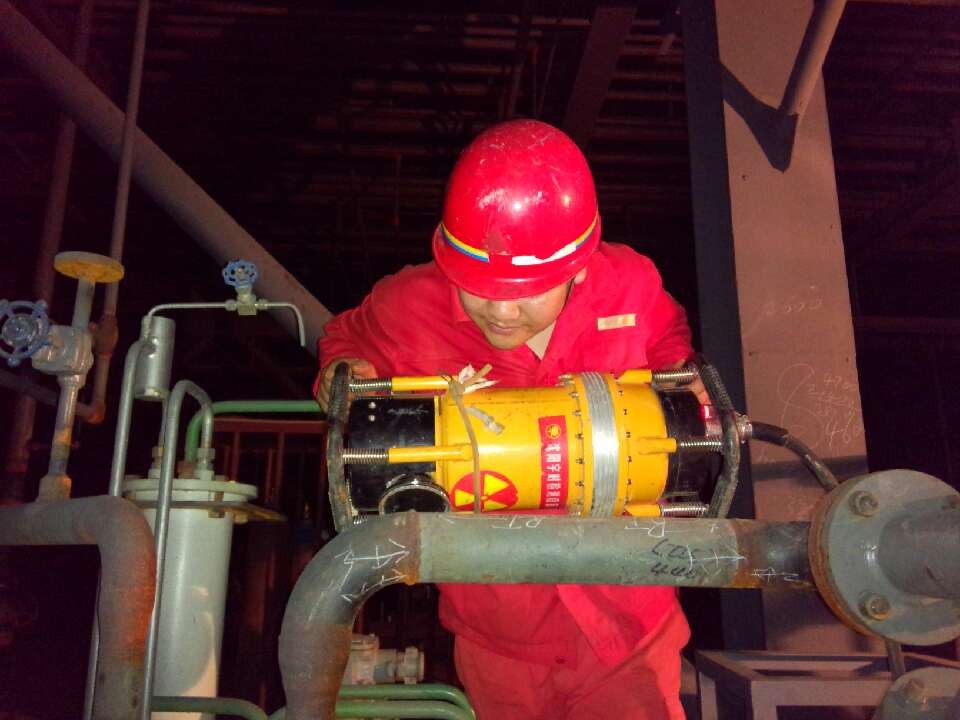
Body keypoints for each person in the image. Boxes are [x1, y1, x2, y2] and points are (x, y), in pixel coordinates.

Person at [315, 119, 693, 719]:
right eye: (478, 289)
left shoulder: (628, 286)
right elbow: (342, 342)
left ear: (577, 267)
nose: (501, 312)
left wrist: (681, 380)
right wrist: (345, 376)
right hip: (498, 635)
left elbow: (669, 336)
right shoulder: (409, 306)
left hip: (628, 619)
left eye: (526, 292)